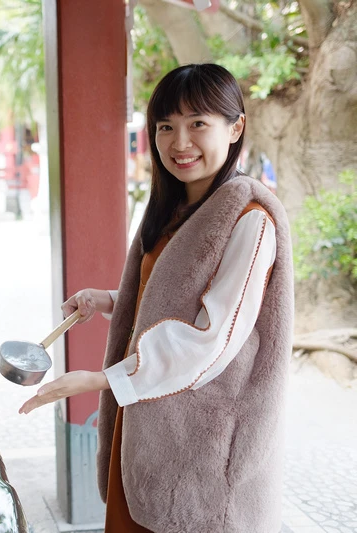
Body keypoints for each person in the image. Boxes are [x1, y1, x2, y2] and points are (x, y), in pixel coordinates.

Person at [19, 64, 293, 532]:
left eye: (198, 124)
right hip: (151, 426)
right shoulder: (179, 208)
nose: (179, 142)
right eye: (166, 126)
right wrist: (108, 300)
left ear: (236, 127)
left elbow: (213, 339)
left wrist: (101, 380)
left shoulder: (250, 218)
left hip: (200, 448)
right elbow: (173, 294)